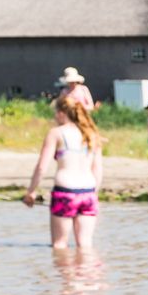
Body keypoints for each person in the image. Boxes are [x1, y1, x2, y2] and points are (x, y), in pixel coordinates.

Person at [23, 98, 103, 250]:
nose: (54, 117)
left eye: (55, 113)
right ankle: (87, 273)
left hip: (65, 192)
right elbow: (98, 170)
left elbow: (41, 167)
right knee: (85, 245)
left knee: (59, 246)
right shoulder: (92, 134)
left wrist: (31, 192)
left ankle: (62, 274)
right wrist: (95, 194)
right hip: (88, 193)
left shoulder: (56, 133)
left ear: (61, 113)